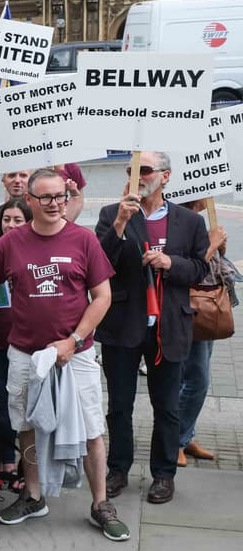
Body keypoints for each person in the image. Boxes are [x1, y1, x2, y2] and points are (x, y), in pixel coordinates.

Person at [0, 169, 127, 541]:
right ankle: (34, 495)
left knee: (92, 428)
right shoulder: (12, 242)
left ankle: (101, 503)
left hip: (76, 355)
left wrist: (73, 340)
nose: (54, 203)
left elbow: (102, 296)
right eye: (46, 197)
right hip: (25, 353)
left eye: (59, 196)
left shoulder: (84, 240)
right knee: (26, 425)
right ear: (30, 200)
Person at [95, 152, 208, 505]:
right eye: (131, 170)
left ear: (165, 176)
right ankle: (118, 470)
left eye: (144, 170)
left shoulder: (189, 221)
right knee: (119, 405)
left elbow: (200, 269)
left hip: (169, 325)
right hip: (123, 324)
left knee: (167, 406)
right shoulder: (112, 214)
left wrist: (170, 262)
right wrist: (119, 224)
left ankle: (163, 474)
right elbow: (98, 264)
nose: (137, 176)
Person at [0, 197, 32, 492]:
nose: (11, 225)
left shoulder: (35, 250)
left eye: (17, 220)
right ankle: (6, 461)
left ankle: (29, 468)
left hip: (29, 344)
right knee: (1, 402)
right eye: (6, 220)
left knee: (28, 406)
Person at [176, 199, 229, 467]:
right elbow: (186, 267)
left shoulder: (197, 220)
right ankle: (174, 440)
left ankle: (185, 436)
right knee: (196, 379)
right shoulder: (178, 220)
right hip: (189, 307)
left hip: (206, 304)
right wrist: (210, 244)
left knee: (193, 376)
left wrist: (219, 247)